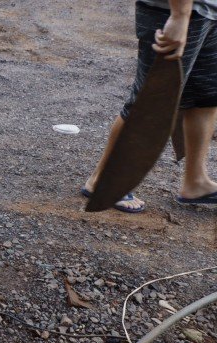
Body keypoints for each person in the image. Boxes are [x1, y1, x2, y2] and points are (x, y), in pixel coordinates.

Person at [82, 0, 217, 213]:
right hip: (172, 11)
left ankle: (196, 181)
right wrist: (179, 15)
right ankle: (102, 180)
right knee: (150, 101)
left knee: (207, 98)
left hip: (209, 11)